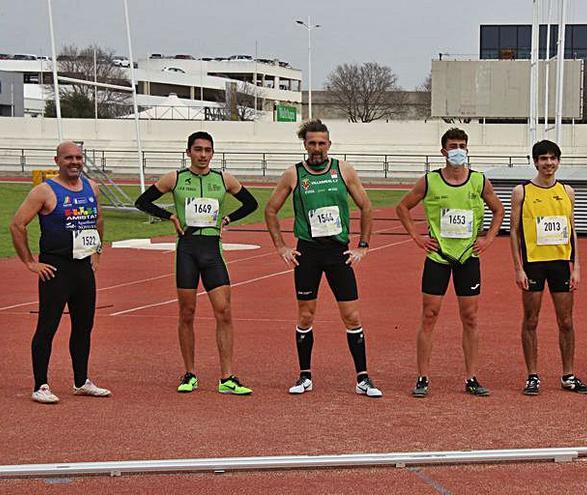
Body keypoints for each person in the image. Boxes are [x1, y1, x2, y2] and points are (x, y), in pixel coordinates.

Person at [264, 120, 382, 398]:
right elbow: (271, 210)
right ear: (304, 145)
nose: (317, 148)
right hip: (308, 252)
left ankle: (363, 379)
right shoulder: (294, 174)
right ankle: (304, 376)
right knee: (306, 314)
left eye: (322, 143)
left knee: (351, 316)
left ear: (329, 144)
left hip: (338, 252)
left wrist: (363, 246)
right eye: (312, 143)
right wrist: (281, 246)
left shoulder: (343, 170)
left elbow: (366, 206)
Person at [135, 131, 258, 395]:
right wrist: (169, 216)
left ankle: (227, 377)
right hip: (187, 251)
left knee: (223, 311)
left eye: (207, 150)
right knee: (187, 312)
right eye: (198, 149)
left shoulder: (223, 179)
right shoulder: (176, 178)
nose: (203, 155)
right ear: (188, 151)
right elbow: (142, 201)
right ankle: (189, 373)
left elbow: (251, 203)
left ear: (213, 153)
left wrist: (229, 218)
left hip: (213, 250)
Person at [396, 128, 504, 398]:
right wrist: (417, 238)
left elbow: (499, 209)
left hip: (468, 257)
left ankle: (471, 377)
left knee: (470, 318)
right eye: (453, 145)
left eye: (463, 145)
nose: (458, 150)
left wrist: (489, 239)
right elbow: (403, 207)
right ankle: (422, 377)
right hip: (438, 257)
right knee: (430, 315)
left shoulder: (479, 181)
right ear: (443, 151)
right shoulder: (429, 181)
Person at [10, 141, 112, 403]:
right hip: (55, 268)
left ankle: (81, 381)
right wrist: (31, 263)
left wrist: (97, 252)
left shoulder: (92, 187)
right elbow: (17, 225)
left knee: (83, 326)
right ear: (57, 160)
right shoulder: (44, 191)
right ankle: (40, 385)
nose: (74, 162)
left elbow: (98, 220)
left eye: (78, 157)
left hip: (82, 267)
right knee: (48, 326)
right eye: (68, 158)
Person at [509, 140, 587, 396]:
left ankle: (568, 375)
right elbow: (513, 232)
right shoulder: (522, 192)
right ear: (535, 161)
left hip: (560, 264)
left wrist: (575, 266)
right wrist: (518, 268)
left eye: (553, 158)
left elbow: (572, 229)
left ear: (558, 161)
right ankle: (532, 375)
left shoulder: (567, 191)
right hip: (533, 264)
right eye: (543, 158)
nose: (548, 163)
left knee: (566, 321)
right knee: (531, 320)